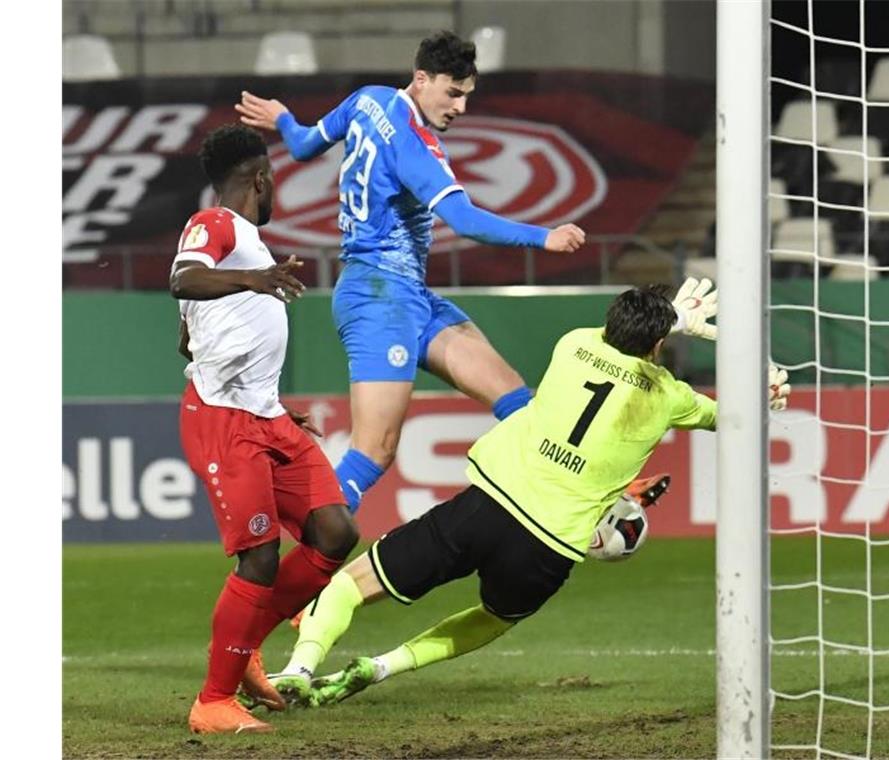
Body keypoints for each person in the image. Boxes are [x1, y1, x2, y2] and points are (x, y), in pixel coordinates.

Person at [259, 283, 790, 706]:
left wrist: (672, 316)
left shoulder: (574, 345)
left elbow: (625, 339)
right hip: (550, 547)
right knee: (493, 618)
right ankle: (382, 666)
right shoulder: (671, 397)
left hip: (487, 506)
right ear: (657, 346)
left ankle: (300, 668)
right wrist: (763, 392)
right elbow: (733, 417)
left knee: (354, 583)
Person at [233, 30, 587, 517]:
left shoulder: (368, 99)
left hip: (407, 296)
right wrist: (541, 236)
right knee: (373, 452)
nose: (460, 107)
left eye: (467, 95)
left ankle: (574, 505)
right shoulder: (415, 145)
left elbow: (303, 145)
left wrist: (283, 119)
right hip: (376, 298)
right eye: (453, 93)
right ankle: (305, 554)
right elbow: (463, 220)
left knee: (518, 402)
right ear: (422, 79)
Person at [171, 124, 360, 734]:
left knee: (334, 532)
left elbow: (188, 338)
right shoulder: (218, 226)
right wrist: (255, 281)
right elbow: (182, 279)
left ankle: (248, 642)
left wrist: (265, 399)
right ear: (261, 179)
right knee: (259, 558)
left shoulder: (243, 243)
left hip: (266, 416)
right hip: (226, 423)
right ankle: (213, 701)